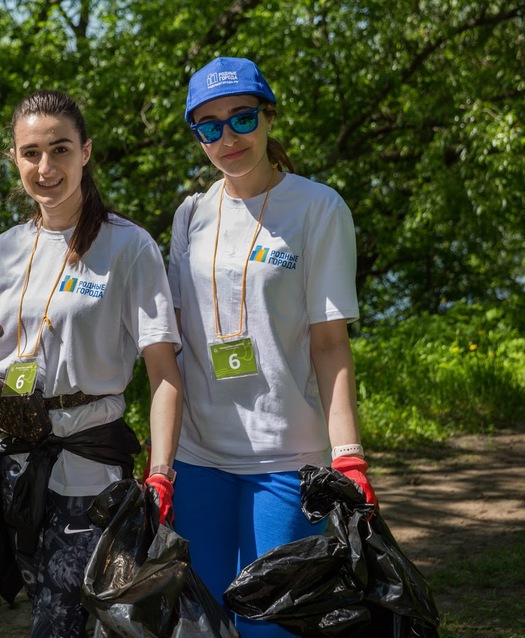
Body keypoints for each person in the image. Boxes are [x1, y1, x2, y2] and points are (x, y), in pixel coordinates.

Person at [0, 90, 183, 637]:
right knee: (46, 611)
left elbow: (165, 374)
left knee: (64, 623)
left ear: (86, 153)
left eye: (59, 149)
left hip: (90, 473)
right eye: (31, 153)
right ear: (15, 159)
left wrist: (160, 474)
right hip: (13, 468)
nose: (45, 166)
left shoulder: (129, 247)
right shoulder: (3, 250)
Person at [167, 57, 378, 638]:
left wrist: (349, 456)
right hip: (199, 456)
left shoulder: (318, 208)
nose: (227, 138)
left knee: (271, 628)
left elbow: (330, 343)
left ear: (267, 117)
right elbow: (175, 346)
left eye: (240, 118)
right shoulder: (191, 214)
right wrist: (163, 460)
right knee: (201, 623)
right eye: (208, 126)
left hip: (285, 460)